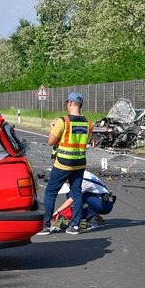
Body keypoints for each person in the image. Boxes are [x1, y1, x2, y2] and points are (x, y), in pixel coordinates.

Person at [43, 92, 92, 235]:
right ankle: (75, 226)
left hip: (63, 163)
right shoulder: (88, 124)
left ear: (70, 103)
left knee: (50, 192)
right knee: (76, 192)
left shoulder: (63, 121)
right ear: (80, 105)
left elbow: (51, 141)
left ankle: (46, 226)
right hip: (79, 163)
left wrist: (53, 127)